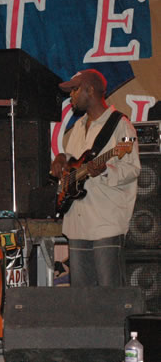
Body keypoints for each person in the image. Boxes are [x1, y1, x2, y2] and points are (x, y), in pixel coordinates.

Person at [50, 69, 140, 287]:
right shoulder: (79, 127)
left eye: (74, 89)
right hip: (77, 224)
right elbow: (74, 164)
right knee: (83, 298)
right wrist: (62, 159)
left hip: (105, 223)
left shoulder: (121, 125)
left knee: (109, 296)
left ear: (89, 90)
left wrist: (106, 169)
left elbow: (132, 169)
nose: (70, 95)